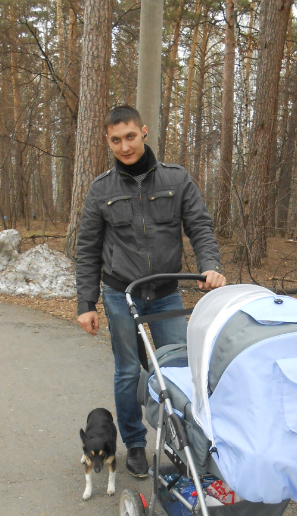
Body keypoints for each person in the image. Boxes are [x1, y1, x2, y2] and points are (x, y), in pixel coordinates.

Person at [76, 105, 226, 478]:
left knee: (179, 368)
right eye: (116, 140)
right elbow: (88, 249)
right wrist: (86, 303)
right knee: (129, 371)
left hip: (165, 293)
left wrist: (210, 265)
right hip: (119, 293)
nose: (125, 146)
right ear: (107, 141)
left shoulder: (176, 179)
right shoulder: (101, 189)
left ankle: (185, 444)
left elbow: (200, 225)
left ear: (143, 132)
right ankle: (135, 445)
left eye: (130, 136)